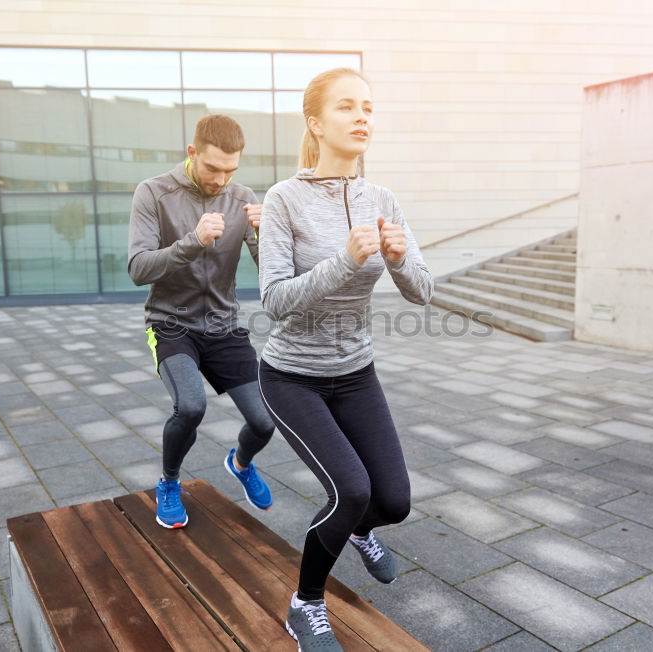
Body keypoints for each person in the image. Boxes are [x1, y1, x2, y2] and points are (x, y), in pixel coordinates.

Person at [256, 69, 433, 651]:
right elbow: (275, 301)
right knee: (350, 490)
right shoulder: (284, 199)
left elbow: (422, 292)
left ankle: (360, 533)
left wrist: (402, 259)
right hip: (291, 378)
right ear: (315, 122)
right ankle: (305, 604)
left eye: (368, 108)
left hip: (356, 374)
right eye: (347, 108)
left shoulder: (383, 199)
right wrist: (343, 261)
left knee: (394, 503)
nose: (363, 118)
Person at [128, 114, 275, 529]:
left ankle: (241, 463)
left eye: (231, 170)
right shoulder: (154, 193)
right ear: (192, 153)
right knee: (191, 407)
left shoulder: (241, 197)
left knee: (265, 420)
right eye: (213, 168)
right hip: (171, 325)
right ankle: (169, 482)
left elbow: (271, 272)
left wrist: (268, 237)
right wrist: (194, 241)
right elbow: (139, 268)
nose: (221, 180)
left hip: (224, 326)